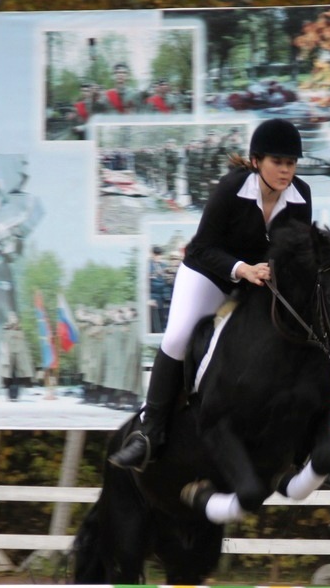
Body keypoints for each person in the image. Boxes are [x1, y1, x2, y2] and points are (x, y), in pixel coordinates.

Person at [109, 118, 312, 471]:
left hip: (259, 282)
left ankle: (298, 441)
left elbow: (296, 251)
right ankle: (149, 433)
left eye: (291, 163)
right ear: (256, 161)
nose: (285, 170)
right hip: (208, 273)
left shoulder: (301, 196)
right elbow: (202, 248)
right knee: (178, 337)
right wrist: (242, 269)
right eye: (277, 162)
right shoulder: (232, 188)